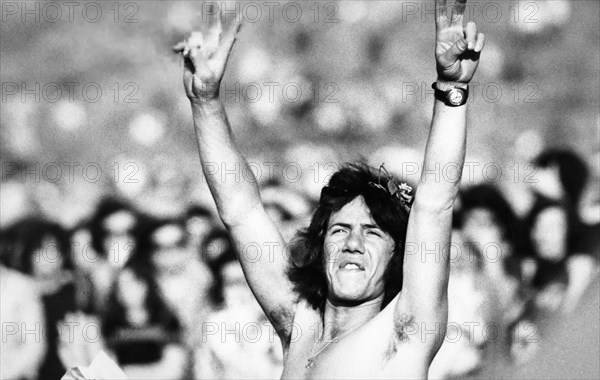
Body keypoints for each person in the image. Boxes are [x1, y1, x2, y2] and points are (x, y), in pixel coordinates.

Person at [175, 0, 485, 377]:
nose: (353, 243)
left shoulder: (404, 332)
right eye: (340, 229)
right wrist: (205, 102)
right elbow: (241, 212)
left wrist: (451, 88)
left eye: (372, 233)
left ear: (398, 256)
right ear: (320, 247)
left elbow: (435, 202)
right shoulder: (300, 327)